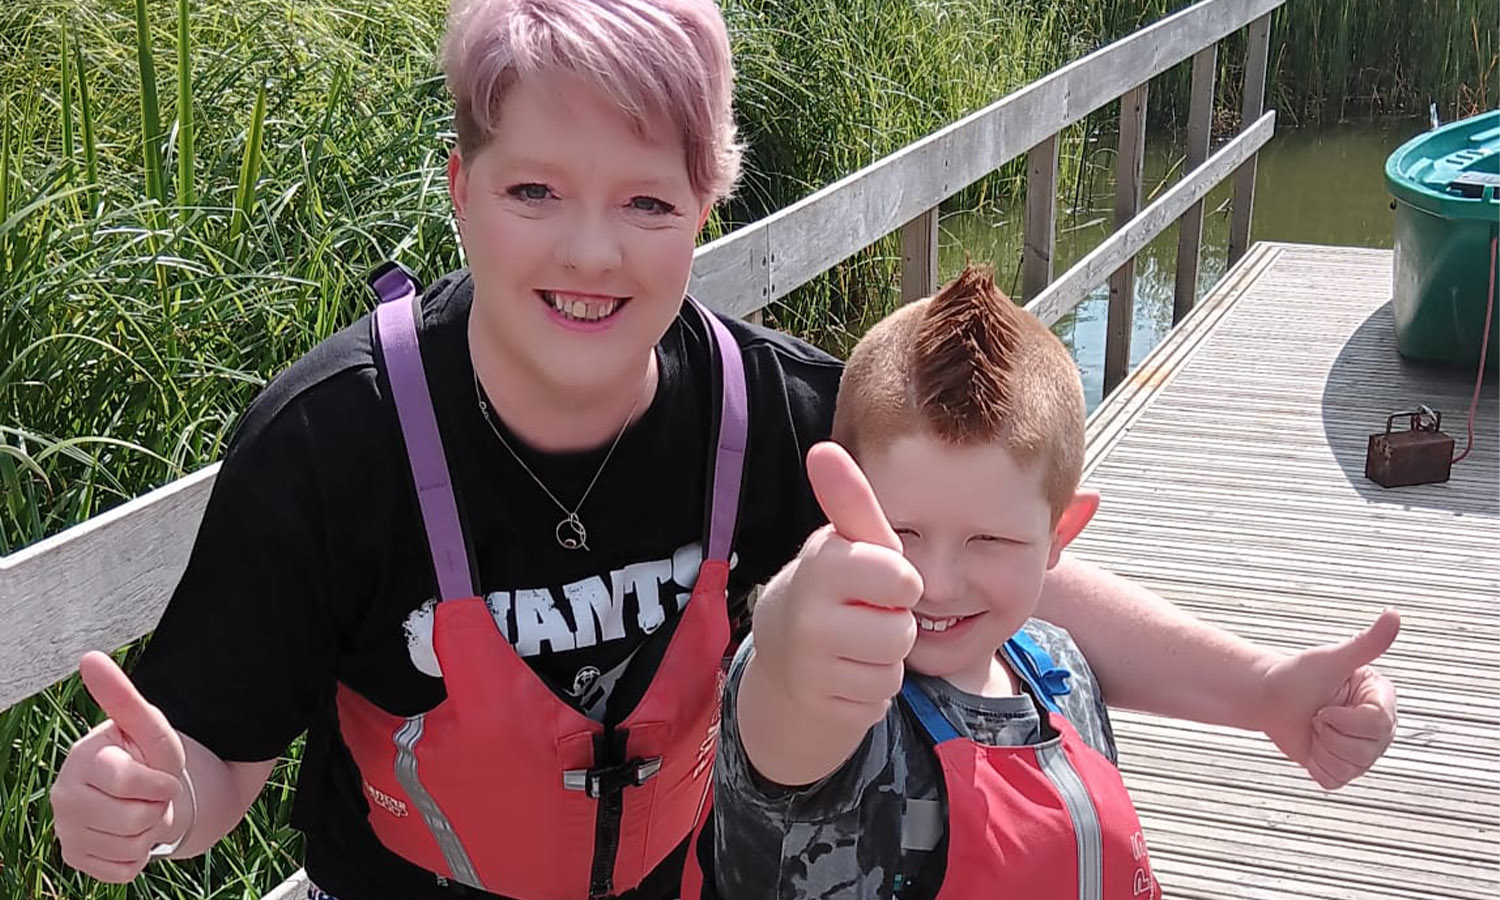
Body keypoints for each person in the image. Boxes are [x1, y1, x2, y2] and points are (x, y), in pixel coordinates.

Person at [47, 2, 1400, 899]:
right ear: (460, 190)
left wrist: (1268, 689)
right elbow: (211, 763)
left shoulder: (770, 414)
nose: (588, 251)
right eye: (532, 192)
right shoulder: (329, 446)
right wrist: (146, 808)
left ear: (709, 200)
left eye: (647, 200)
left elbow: (998, 569)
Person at [703, 263, 1153, 898]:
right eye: (900, 531)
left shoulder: (1066, 668)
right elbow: (785, 700)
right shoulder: (847, 708)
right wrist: (783, 637)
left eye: (990, 540)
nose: (935, 585)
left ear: (1062, 535)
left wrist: (1274, 690)